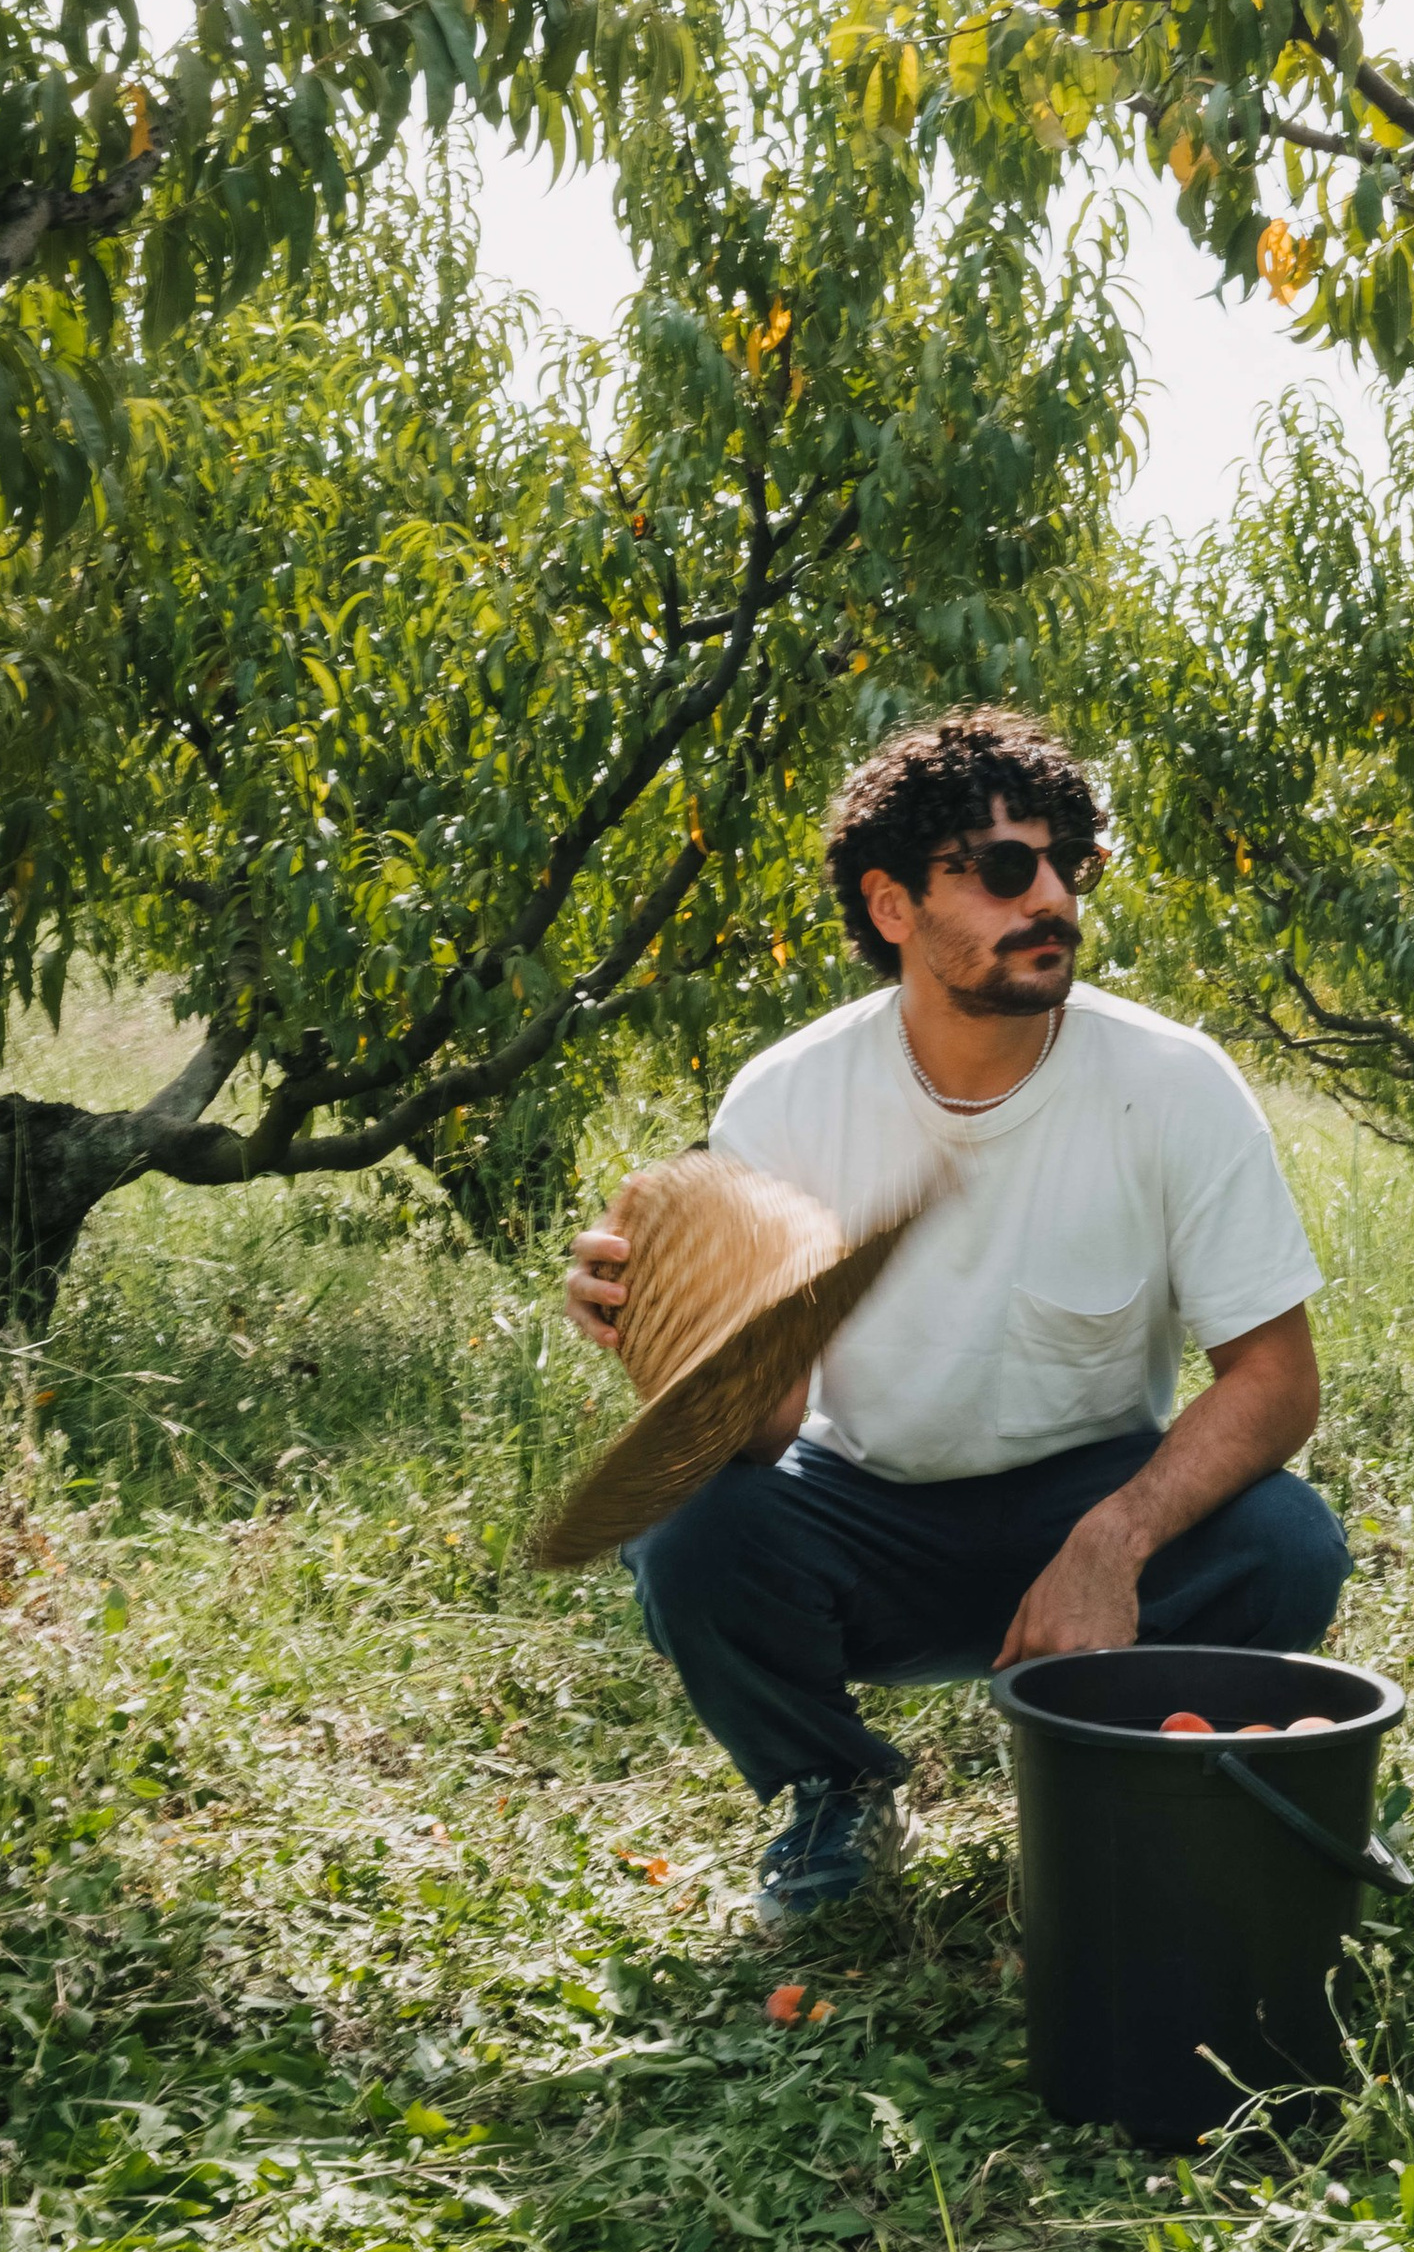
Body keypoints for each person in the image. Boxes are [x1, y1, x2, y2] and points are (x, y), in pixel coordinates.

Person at [564, 708, 1347, 1927]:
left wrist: (1111, 1542)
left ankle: (1122, 1766)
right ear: (891, 907)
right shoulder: (786, 1099)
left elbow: (1276, 1378)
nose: (1048, 897)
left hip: (1088, 1499)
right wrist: (664, 1333)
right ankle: (835, 1787)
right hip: (866, 1514)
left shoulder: (1171, 1082)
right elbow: (763, 1433)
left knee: (1289, 1542)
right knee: (684, 1521)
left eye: (1063, 862)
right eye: (998, 869)